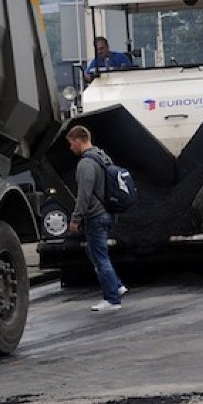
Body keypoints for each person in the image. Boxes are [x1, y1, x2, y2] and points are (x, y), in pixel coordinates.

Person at [66, 125, 128, 311]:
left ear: (78, 141)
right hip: (109, 212)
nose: (70, 148)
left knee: (100, 257)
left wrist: (75, 219)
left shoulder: (86, 163)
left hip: (96, 216)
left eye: (71, 143)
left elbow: (84, 195)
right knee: (93, 253)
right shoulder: (102, 157)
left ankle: (112, 300)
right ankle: (117, 285)